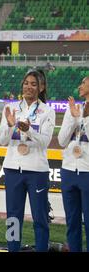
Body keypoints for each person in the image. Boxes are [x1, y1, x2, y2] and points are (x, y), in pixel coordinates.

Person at [0, 69, 55, 252]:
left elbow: (44, 142)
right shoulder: (11, 108)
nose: (28, 87)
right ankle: (12, 249)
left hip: (37, 171)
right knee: (13, 217)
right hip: (13, 169)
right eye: (26, 83)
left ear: (41, 87)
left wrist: (28, 130)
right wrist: (9, 125)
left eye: (33, 84)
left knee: (40, 217)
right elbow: (2, 140)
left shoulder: (48, 111)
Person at [58, 76, 89, 252]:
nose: (79, 86)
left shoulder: (81, 113)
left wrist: (82, 119)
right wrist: (73, 118)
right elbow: (62, 140)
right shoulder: (73, 109)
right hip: (69, 170)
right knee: (72, 221)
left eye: (83, 83)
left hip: (87, 171)